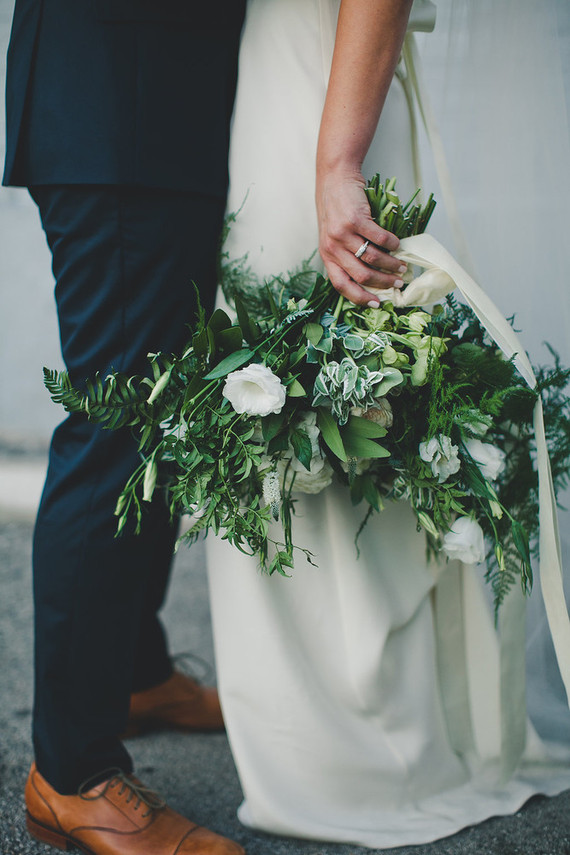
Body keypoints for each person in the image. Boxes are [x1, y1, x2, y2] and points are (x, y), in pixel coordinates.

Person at [207, 0, 570, 847]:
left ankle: (350, 749)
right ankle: (375, 729)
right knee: (316, 410)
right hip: (308, 90)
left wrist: (336, 159)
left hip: (318, 109)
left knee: (325, 404)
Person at [3, 1, 246, 852]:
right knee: (117, 426)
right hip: (117, 99)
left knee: (163, 419)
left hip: (163, 111)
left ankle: (136, 670)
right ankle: (69, 775)